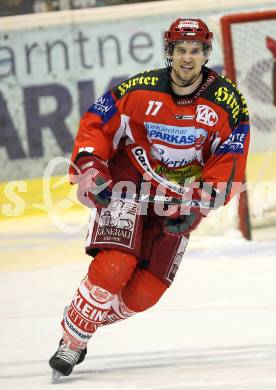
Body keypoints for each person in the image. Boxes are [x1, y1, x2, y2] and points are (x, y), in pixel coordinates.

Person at [49, 18, 250, 378]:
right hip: (128, 182)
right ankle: (73, 341)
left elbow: (230, 161)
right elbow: (97, 122)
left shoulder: (228, 102)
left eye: (196, 51)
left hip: (180, 198)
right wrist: (92, 168)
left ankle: (82, 317)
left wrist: (199, 205)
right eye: (180, 50)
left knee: (144, 294)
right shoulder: (138, 89)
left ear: (206, 54)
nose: (187, 58)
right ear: (169, 53)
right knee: (115, 266)